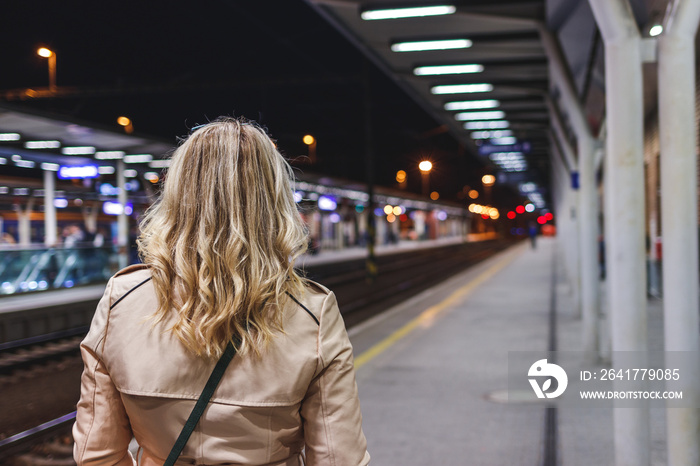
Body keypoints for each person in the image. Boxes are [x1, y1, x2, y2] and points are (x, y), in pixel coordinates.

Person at [73, 118, 370, 465]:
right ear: (272, 199)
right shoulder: (312, 312)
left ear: (177, 193)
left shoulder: (122, 300)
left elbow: (97, 454)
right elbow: (339, 458)